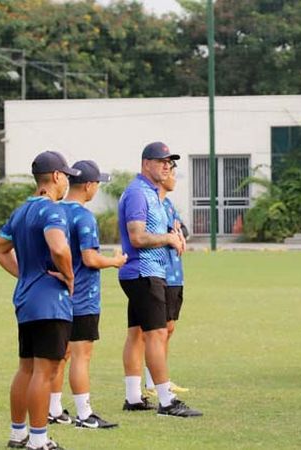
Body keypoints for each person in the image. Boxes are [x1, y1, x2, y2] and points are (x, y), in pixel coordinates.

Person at [0, 151, 80, 450]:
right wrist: (69, 276)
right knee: (45, 371)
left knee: (26, 369)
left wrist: (25, 275)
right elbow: (59, 248)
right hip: (50, 302)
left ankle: (19, 434)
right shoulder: (52, 210)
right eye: (66, 175)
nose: (67, 180)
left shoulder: (20, 211)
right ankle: (39, 441)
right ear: (56, 176)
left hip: (26, 300)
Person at [118, 141, 200, 417]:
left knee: (138, 333)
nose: (167, 165)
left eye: (169, 161)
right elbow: (137, 237)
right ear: (146, 164)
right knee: (156, 333)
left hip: (149, 271)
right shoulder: (139, 193)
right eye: (161, 160)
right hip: (144, 270)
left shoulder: (152, 193)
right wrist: (169, 237)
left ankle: (133, 397)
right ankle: (166, 400)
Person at [48, 160, 124, 430]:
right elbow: (90, 258)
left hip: (57, 298)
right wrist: (115, 261)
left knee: (61, 355)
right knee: (82, 355)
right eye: (97, 184)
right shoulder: (84, 216)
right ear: (89, 186)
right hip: (83, 298)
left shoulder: (54, 211)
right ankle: (84, 414)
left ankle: (54, 410)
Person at [144, 161, 189, 396]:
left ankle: (160, 378)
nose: (173, 178)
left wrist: (179, 235)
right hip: (159, 273)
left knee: (168, 329)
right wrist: (172, 235)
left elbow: (181, 230)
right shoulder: (153, 205)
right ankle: (152, 382)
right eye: (172, 174)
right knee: (158, 330)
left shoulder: (168, 204)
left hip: (175, 274)